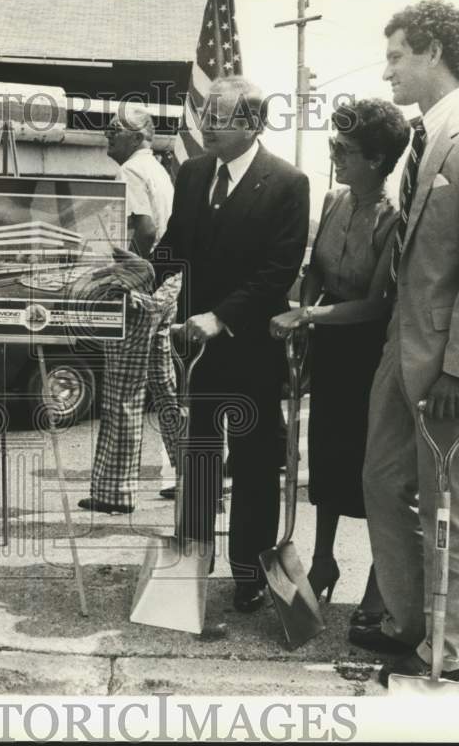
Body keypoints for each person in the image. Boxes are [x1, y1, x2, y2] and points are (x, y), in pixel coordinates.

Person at [350, 1, 459, 687]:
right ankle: (410, 623)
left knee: (452, 500)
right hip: (404, 349)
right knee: (381, 483)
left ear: (433, 53)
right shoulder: (425, 143)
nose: (387, 68)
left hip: (451, 365)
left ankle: (450, 653)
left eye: (396, 55)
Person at [152, 76, 310, 612]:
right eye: (205, 116)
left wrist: (221, 318)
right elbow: (175, 245)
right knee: (197, 462)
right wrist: (140, 275)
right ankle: (191, 568)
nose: (206, 128)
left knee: (254, 467)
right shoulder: (193, 174)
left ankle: (250, 574)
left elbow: (277, 271)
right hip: (196, 352)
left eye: (218, 119)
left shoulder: (288, 182)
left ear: (253, 124)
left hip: (251, 350)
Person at [269, 98, 410, 629]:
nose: (334, 156)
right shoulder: (333, 199)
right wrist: (305, 313)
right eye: (332, 145)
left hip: (370, 354)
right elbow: (316, 270)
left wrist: (308, 314)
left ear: (376, 159)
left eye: (344, 149)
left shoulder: (397, 216)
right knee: (326, 460)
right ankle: (323, 560)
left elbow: (376, 304)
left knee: (371, 469)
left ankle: (380, 580)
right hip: (327, 347)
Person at [78, 105, 182, 514]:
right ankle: (196, 474)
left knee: (123, 391)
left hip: (141, 290)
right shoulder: (158, 170)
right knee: (164, 386)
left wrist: (131, 276)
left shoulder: (131, 172)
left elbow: (145, 228)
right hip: (166, 289)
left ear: (140, 137)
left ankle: (114, 491)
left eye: (116, 129)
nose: (108, 133)